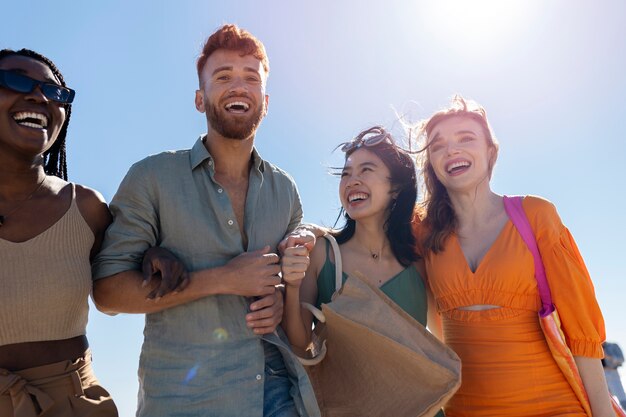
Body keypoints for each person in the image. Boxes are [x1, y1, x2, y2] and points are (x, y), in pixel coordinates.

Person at [91, 24, 320, 417]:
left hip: (281, 396)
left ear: (265, 101)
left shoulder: (286, 190)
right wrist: (221, 279)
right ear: (200, 99)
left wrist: (281, 301)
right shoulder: (152, 177)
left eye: (251, 77)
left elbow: (292, 289)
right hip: (185, 401)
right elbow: (108, 293)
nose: (238, 86)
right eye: (223, 76)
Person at [414, 95, 613, 416]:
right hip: (465, 409)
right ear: (432, 163)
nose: (451, 150)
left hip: (556, 407)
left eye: (466, 138)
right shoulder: (422, 234)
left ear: (490, 152)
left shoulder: (535, 214)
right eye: (438, 145)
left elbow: (581, 332)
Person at [281, 126, 445, 417]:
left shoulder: (420, 260)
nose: (352, 181)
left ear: (395, 187)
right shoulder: (321, 253)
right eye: (346, 174)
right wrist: (292, 285)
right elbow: (300, 342)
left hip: (421, 408)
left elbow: (442, 340)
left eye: (366, 170)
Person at [0, 49, 117, 416]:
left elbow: (120, 283)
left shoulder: (86, 208)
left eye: (55, 93)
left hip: (73, 404)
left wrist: (156, 257)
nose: (40, 97)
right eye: (17, 80)